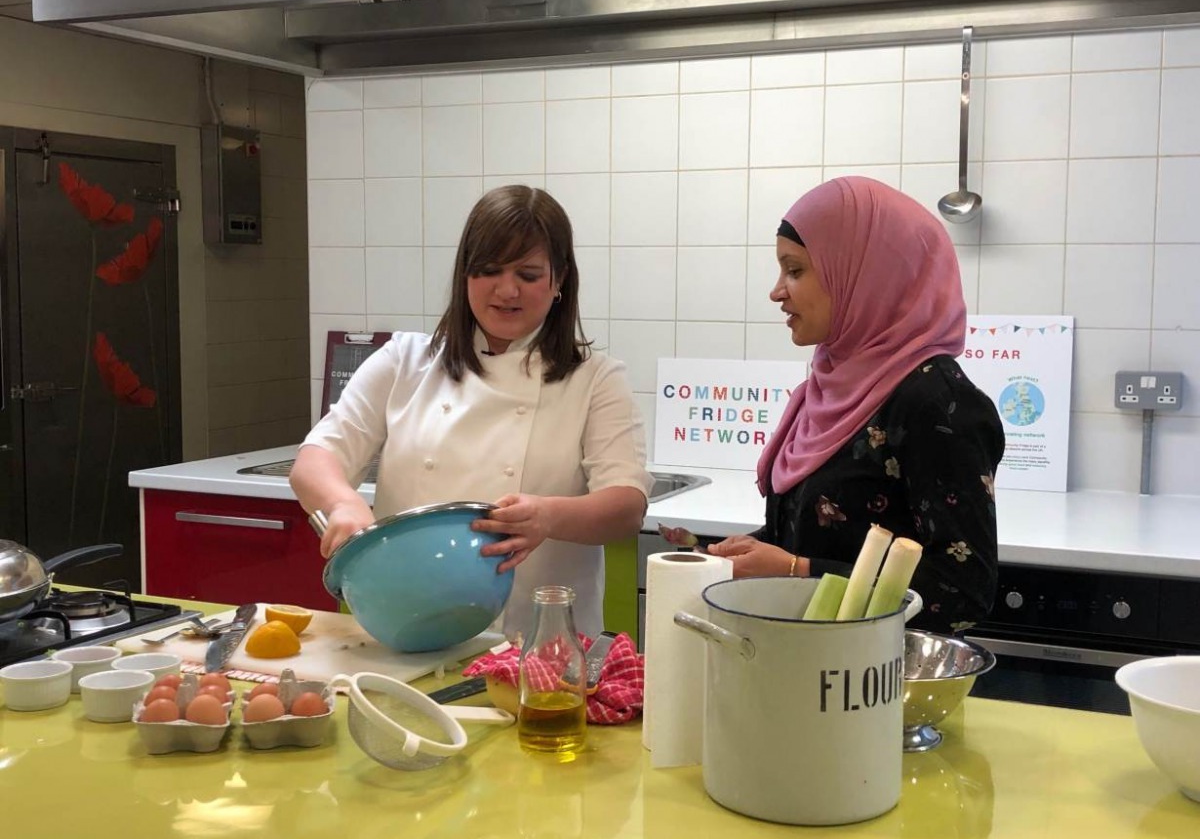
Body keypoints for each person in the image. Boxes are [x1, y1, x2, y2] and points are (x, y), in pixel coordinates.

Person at [290, 185, 652, 639]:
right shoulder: (403, 361)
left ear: (559, 280)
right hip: (400, 629)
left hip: (536, 650)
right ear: (465, 275)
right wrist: (343, 503)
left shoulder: (596, 379)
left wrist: (549, 517)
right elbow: (316, 457)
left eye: (528, 273)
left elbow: (626, 506)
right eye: (488, 270)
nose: (506, 289)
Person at [707, 177, 1004, 634]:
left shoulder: (936, 401)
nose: (777, 291)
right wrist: (755, 551)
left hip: (879, 686)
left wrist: (795, 571)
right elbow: (836, 535)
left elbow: (962, 588)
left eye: (796, 270)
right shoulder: (831, 385)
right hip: (811, 669)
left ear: (864, 273)